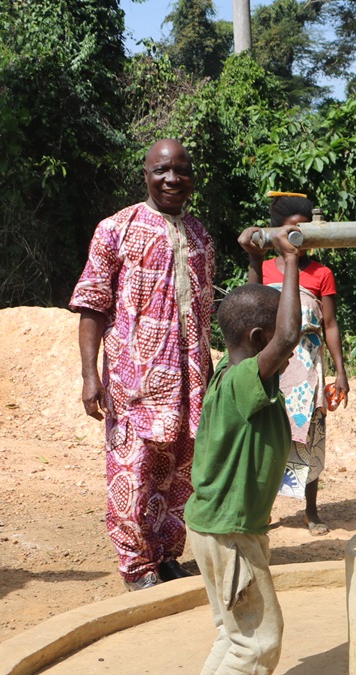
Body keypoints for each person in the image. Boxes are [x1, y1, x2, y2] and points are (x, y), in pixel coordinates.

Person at [176, 224, 303, 675]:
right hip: (228, 533)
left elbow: (254, 318)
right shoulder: (245, 384)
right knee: (259, 640)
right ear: (259, 344)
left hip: (220, 526)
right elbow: (287, 334)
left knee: (236, 632)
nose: (288, 351)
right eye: (273, 342)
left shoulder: (239, 374)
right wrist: (291, 259)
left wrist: (256, 262)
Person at [70, 139, 214, 591]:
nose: (172, 179)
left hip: (191, 382)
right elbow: (93, 303)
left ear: (192, 176)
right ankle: (137, 567)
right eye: (162, 170)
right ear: (147, 174)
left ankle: (167, 556)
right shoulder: (116, 228)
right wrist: (90, 374)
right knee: (133, 471)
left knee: (179, 473)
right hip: (136, 382)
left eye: (181, 170)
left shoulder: (200, 235)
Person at [241, 193, 349, 535]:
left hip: (307, 368)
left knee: (310, 437)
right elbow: (250, 304)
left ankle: (311, 511)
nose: (297, 238)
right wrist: (253, 260)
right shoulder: (265, 268)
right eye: (290, 230)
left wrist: (341, 372)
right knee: (267, 436)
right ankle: (262, 509)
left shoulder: (322, 273)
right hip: (273, 366)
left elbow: (330, 325)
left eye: (304, 230)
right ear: (276, 232)